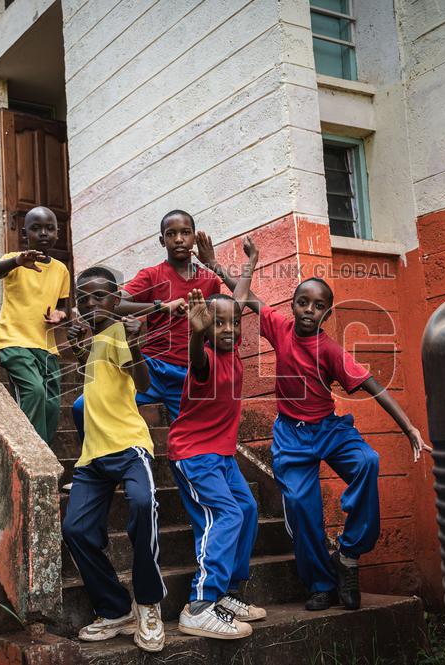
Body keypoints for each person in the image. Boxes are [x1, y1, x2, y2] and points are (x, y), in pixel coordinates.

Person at [206, 236, 431, 612]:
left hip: (329, 430)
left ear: (327, 314)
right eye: (303, 302)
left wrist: (409, 427)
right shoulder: (278, 327)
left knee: (367, 462)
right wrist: (217, 266)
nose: (309, 309)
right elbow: (245, 296)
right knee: (300, 506)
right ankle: (321, 584)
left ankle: (349, 553)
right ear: (293, 306)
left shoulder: (330, 350)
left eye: (318, 306)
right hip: (291, 437)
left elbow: (373, 385)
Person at [61, 266, 165, 653]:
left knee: (142, 504)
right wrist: (77, 348)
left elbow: (143, 384)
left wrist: (136, 346)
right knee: (75, 530)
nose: (91, 303)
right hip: (93, 455)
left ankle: (149, 603)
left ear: (116, 298)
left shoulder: (124, 331)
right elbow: (94, 383)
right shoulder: (91, 337)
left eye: (100, 296)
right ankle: (115, 608)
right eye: (83, 298)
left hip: (129, 447)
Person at [167, 238, 265, 639]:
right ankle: (200, 604)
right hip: (194, 456)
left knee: (248, 508)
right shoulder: (205, 360)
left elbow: (238, 298)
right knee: (224, 515)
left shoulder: (233, 345)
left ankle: (227, 593)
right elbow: (196, 357)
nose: (228, 328)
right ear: (208, 329)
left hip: (221, 455)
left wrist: (250, 262)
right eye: (219, 324)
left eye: (234, 323)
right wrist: (195, 334)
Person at [70, 210, 221, 438]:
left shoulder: (210, 282)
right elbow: (116, 304)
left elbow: (215, 328)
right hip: (151, 368)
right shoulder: (151, 275)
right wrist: (161, 306)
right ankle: (93, 463)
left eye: (185, 233)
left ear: (193, 238)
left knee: (190, 440)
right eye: (171, 234)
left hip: (188, 374)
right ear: (162, 241)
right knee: (83, 406)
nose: (179, 239)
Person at [0, 207, 71, 448]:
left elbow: (63, 304)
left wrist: (60, 314)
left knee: (52, 405)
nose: (43, 233)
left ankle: (43, 451)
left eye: (49, 228)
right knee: (34, 392)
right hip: (14, 342)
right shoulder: (14, 260)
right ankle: (33, 454)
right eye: (35, 228)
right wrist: (17, 261)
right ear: (25, 234)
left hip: (46, 347)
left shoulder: (61, 270)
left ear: (57, 233)